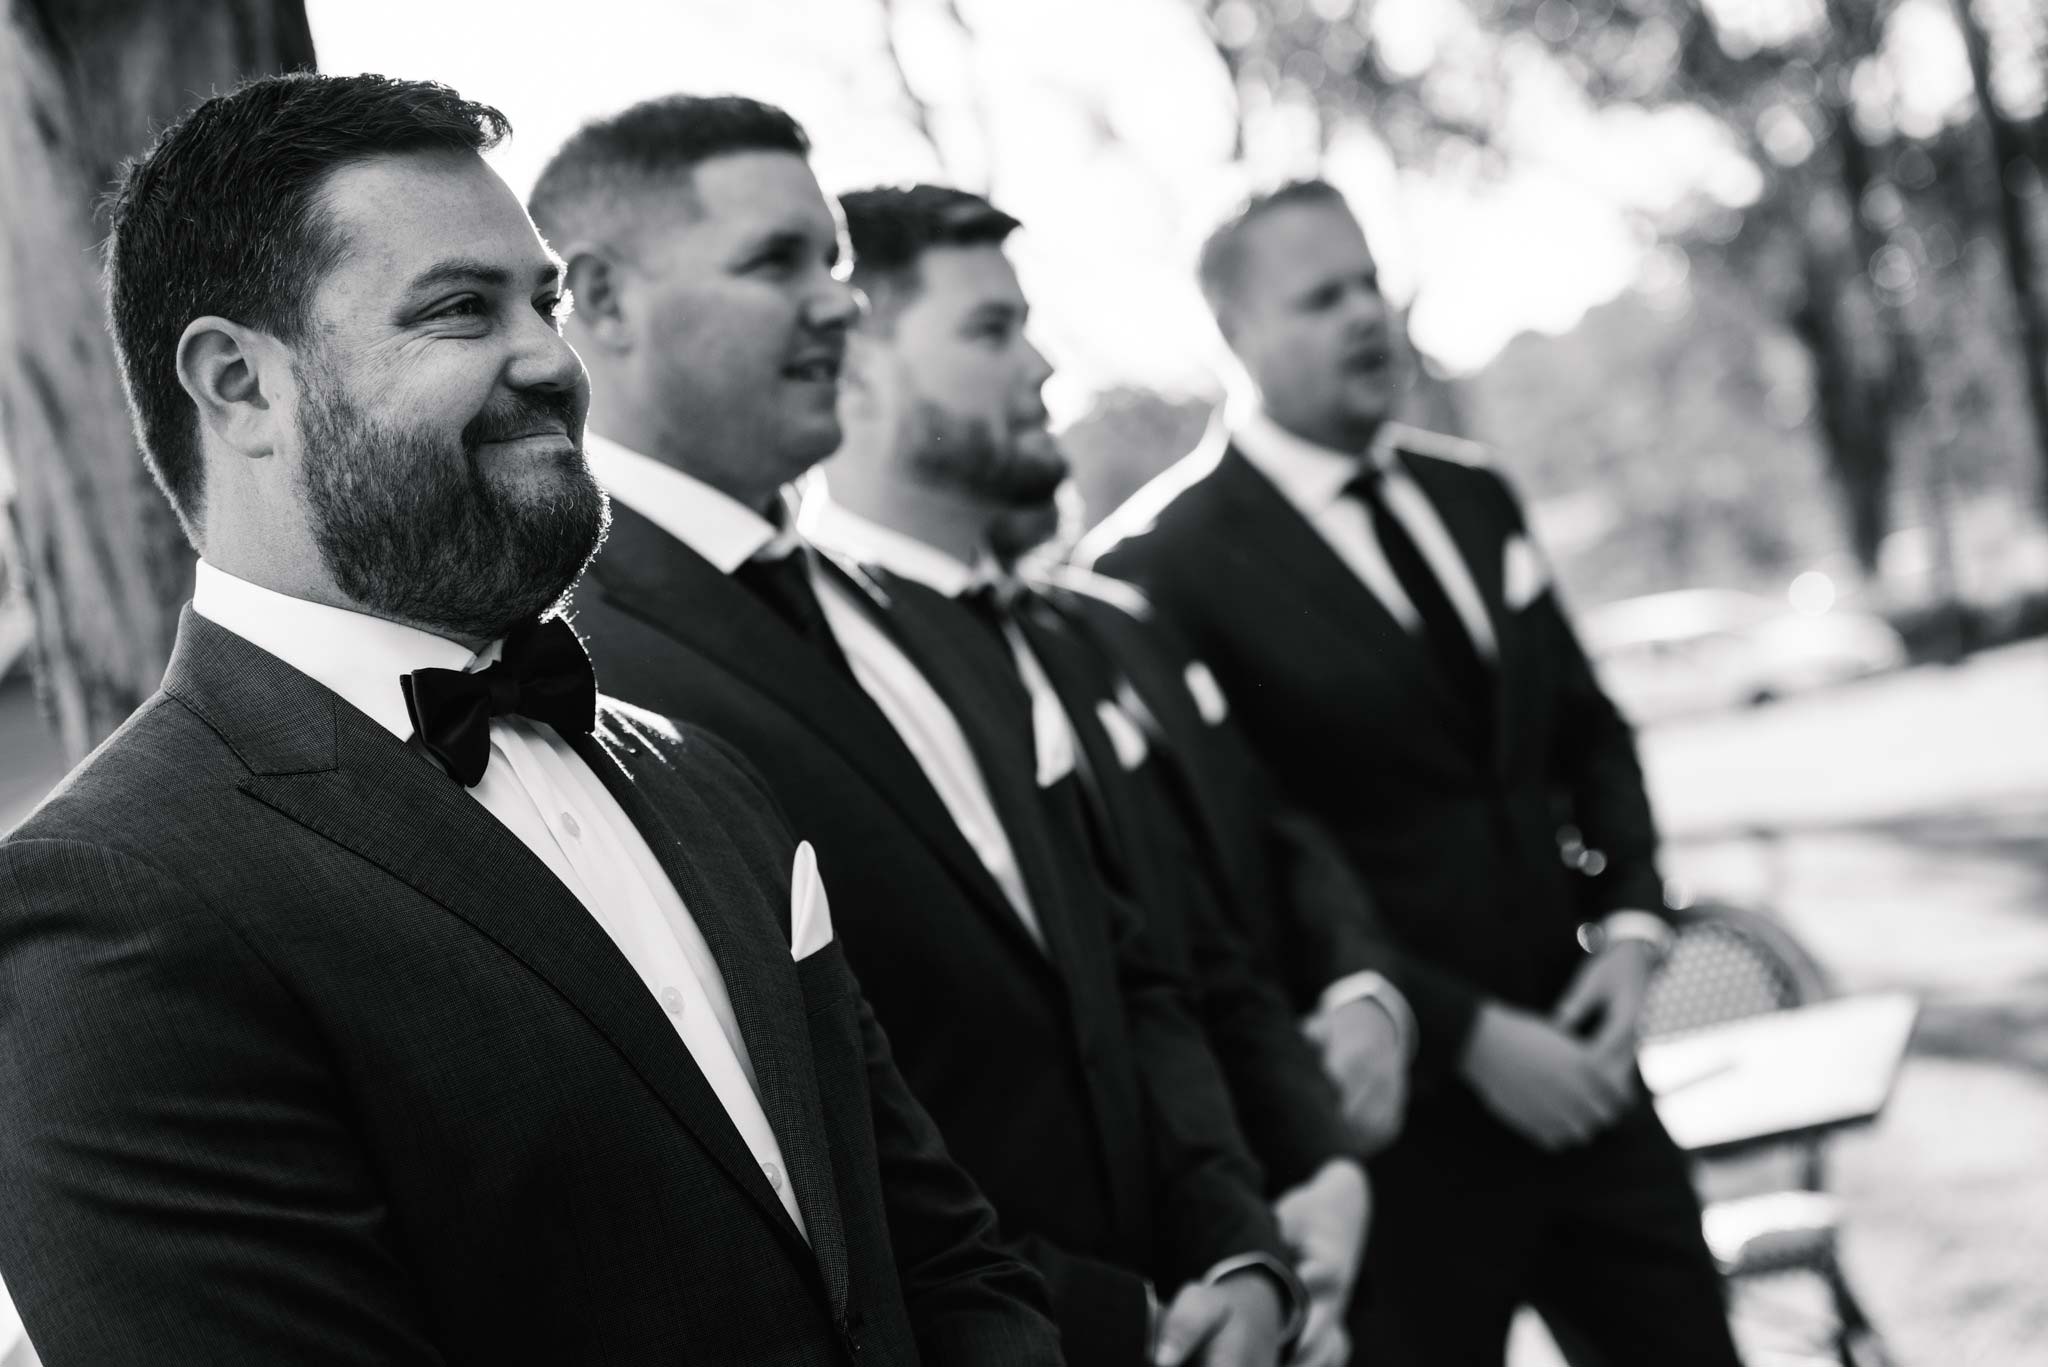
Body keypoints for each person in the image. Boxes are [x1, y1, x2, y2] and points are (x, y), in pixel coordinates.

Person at [0, 72, 1063, 1367]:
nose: (555, 362)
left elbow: (936, 1253)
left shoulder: (700, 777)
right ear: (239, 385)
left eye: (546, 301)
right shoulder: (107, 905)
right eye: (461, 309)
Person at [532, 96, 1301, 1367]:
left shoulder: (923, 611)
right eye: (777, 262)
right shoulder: (584, 669)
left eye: (834, 266)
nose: (838, 305)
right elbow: (768, 1130)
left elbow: (1121, 964)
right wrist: (1118, 1323)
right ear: (602, 304)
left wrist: (1235, 1242)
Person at [1081, 179, 1741, 1366]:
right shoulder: (1152, 567)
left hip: (1592, 1083)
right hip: (1394, 1144)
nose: (1363, 316)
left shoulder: (1469, 489)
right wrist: (1465, 1035)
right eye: (1319, 296)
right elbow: (1245, 856)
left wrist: (1633, 921)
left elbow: (1585, 731)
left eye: (1369, 283)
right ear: (1232, 333)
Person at [809, 183, 1432, 1367]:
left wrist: (1318, 1172)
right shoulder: (836, 682)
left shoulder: (1107, 623)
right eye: (990, 330)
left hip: (1294, 1249)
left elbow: (1225, 910)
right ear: (855, 363)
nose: (1042, 364)